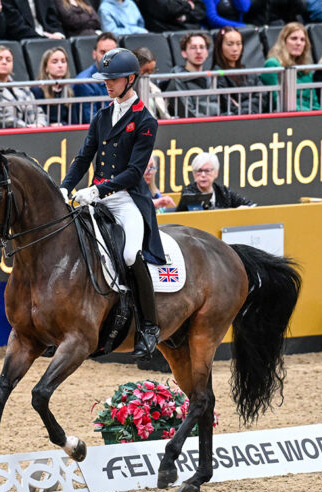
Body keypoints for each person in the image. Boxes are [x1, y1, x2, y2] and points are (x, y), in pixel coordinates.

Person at [59, 47, 164, 360]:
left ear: (131, 79)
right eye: (105, 79)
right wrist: (64, 188)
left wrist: (98, 189)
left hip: (127, 200)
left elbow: (134, 173)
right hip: (97, 197)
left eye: (114, 79)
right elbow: (83, 158)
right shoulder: (102, 116)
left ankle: (149, 326)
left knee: (131, 254)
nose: (108, 84)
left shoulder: (145, 121)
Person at [0, 45, 47, 127]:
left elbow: (38, 111)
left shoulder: (22, 88)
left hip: (31, 133)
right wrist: (27, 127)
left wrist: (40, 124)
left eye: (8, 60)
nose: (4, 62)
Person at [259, 21, 320, 111]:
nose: (298, 43)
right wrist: (308, 112)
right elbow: (278, 102)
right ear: (284, 41)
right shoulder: (272, 64)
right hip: (285, 118)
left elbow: (314, 102)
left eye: (302, 40)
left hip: (308, 116)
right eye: (294, 38)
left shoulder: (305, 68)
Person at [163, 31, 221, 117]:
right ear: (184, 53)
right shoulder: (177, 79)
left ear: (207, 53)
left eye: (202, 47)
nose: (198, 51)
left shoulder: (212, 78)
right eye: (193, 48)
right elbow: (187, 113)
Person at [180, 152, 256, 209]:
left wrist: (246, 209)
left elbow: (251, 205)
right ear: (194, 174)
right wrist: (234, 212)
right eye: (199, 171)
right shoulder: (189, 193)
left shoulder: (223, 191)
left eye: (207, 171)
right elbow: (206, 215)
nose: (203, 175)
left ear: (216, 173)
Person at [212, 26, 260, 114]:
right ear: (220, 47)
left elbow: (262, 95)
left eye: (238, 43)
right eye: (230, 44)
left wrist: (243, 108)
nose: (235, 49)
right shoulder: (217, 73)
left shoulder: (247, 71)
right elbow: (227, 104)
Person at [74, 32, 117, 123]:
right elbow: (91, 121)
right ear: (94, 54)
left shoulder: (123, 76)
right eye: (102, 52)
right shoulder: (85, 82)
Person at [30, 46, 78, 125]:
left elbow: (74, 122)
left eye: (63, 61)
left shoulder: (69, 92)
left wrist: (62, 125)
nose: (60, 65)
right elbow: (38, 117)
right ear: (46, 68)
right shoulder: (37, 90)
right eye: (55, 62)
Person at [132, 47, 170, 119]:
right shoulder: (125, 90)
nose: (149, 75)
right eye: (145, 71)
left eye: (152, 70)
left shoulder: (154, 89)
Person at [0, 0, 64, 40]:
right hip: (24, 40)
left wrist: (58, 34)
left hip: (49, 38)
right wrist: (44, 37)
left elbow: (53, 19)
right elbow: (16, 27)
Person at [137, 0, 205, 32]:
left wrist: (185, 17)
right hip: (166, 33)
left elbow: (201, 10)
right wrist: (189, 5)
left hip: (192, 30)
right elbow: (169, 9)